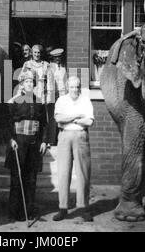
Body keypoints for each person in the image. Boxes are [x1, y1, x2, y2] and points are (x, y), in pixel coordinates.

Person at [6, 71, 51, 221]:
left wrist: (44, 141)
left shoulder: (39, 102)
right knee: (17, 177)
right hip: (18, 143)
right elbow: (7, 124)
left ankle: (29, 211)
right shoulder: (14, 101)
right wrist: (11, 139)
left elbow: (44, 124)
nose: (29, 84)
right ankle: (14, 212)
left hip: (34, 144)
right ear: (22, 85)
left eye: (32, 82)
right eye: (26, 82)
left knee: (31, 179)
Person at [53, 76, 94, 222]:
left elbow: (89, 121)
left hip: (81, 136)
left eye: (77, 87)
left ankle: (83, 208)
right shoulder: (61, 100)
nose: (75, 89)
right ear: (67, 87)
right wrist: (77, 116)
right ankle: (63, 208)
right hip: (64, 137)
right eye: (72, 87)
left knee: (83, 172)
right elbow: (58, 119)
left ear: (79, 87)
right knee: (63, 172)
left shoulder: (85, 100)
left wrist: (69, 118)